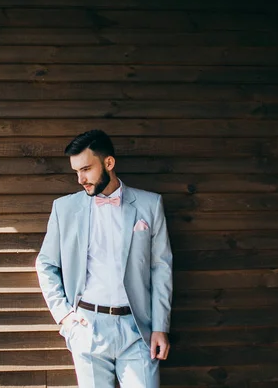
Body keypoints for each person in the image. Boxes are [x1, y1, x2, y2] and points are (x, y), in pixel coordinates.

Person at [36, 130, 173, 387]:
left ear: (109, 163)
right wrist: (65, 316)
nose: (80, 179)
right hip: (88, 327)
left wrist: (160, 327)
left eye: (86, 169)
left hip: (138, 329)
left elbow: (161, 267)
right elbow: (46, 264)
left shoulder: (150, 205)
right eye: (76, 171)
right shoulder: (64, 209)